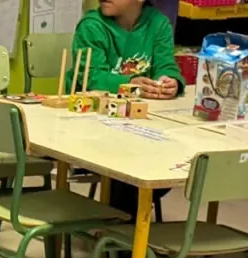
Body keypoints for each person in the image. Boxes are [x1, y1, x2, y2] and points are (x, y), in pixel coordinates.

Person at [70, 0, 183, 216]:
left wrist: (170, 82)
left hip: (138, 124)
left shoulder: (158, 24)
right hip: (92, 122)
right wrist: (130, 82)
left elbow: (166, 65)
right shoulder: (92, 25)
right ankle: (122, 235)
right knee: (126, 170)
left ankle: (124, 231)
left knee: (167, 161)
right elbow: (92, 76)